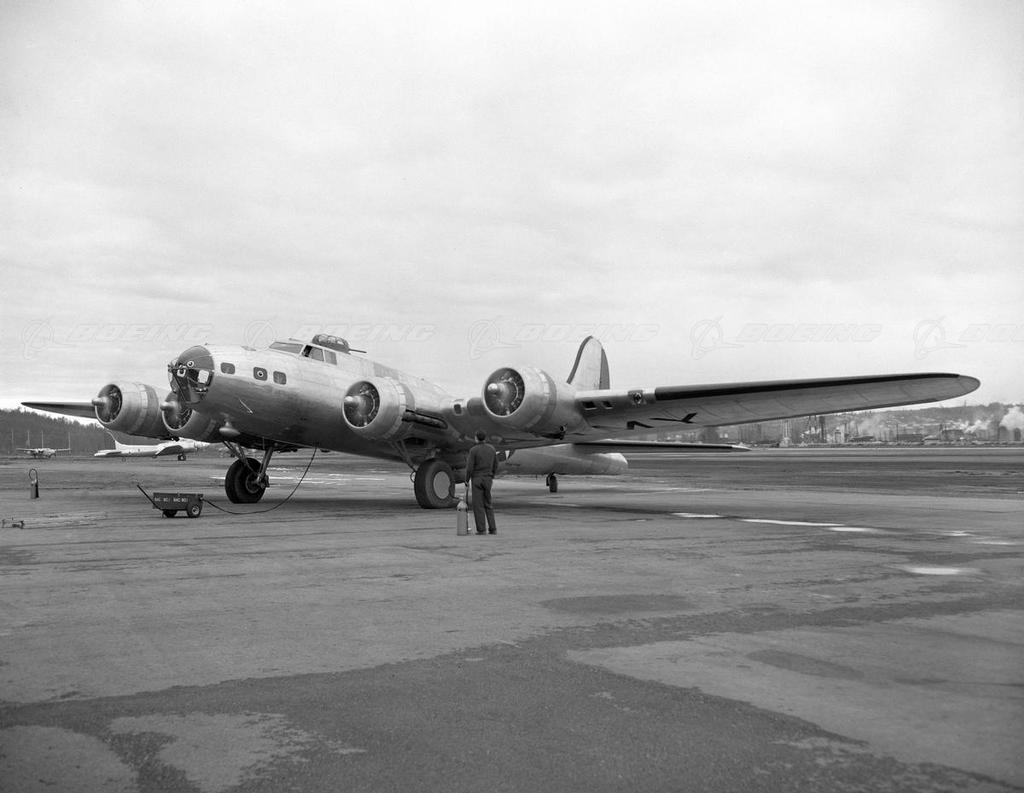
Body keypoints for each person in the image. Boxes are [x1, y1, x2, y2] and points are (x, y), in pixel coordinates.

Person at [465, 430, 498, 535]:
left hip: (477, 479)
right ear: (485, 438)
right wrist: (491, 475)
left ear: (476, 438)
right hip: (488, 479)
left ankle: (481, 529)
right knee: (488, 503)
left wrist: (466, 480)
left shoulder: (473, 450)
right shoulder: (491, 449)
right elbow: (496, 464)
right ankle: (493, 528)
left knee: (478, 505)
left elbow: (469, 468)